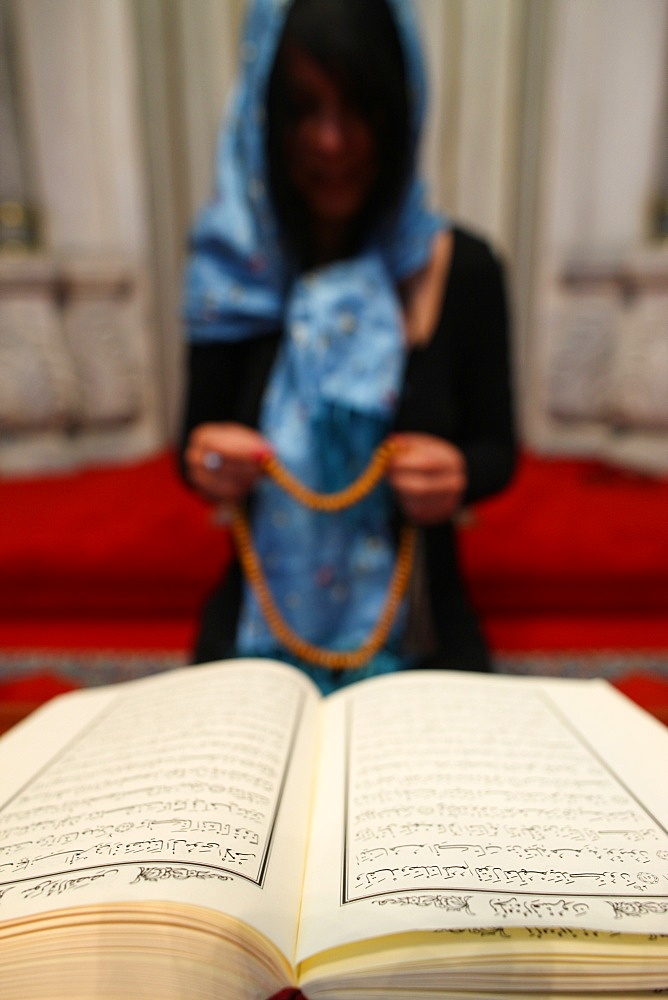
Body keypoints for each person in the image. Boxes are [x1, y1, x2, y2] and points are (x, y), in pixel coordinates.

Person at [180, 0, 516, 693]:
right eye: (303, 109)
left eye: (359, 107)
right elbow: (193, 440)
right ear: (264, 116)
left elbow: (497, 447)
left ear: (402, 109)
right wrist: (208, 459)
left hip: (419, 632)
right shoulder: (231, 271)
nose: (331, 141)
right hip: (255, 628)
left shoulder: (463, 268)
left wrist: (459, 475)